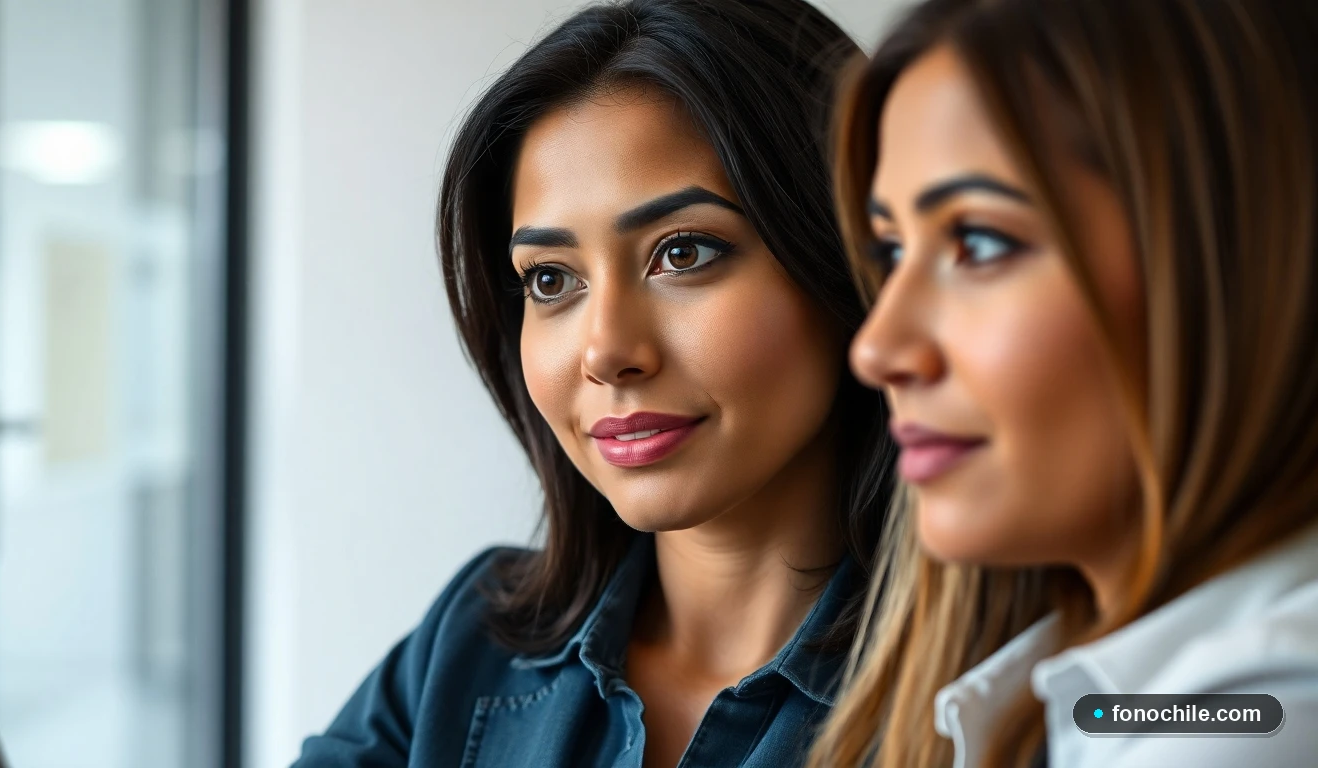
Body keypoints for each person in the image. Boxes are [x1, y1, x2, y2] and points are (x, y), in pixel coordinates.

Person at [293, 1, 895, 766]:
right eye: (550, 279)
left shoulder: (1049, 689)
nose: (605, 351)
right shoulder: (469, 642)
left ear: (852, 260)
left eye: (683, 254)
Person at [808, 0, 1318, 766]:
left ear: (1235, 267)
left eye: (979, 242)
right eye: (890, 252)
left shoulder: (1258, 718)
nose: (878, 348)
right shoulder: (1089, 693)